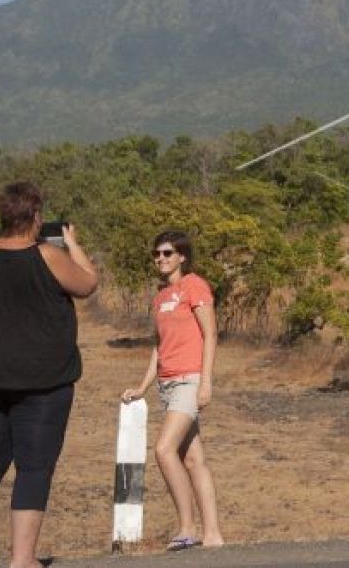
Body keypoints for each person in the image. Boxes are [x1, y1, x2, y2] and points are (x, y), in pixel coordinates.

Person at [0, 181, 98, 568]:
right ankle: (23, 559)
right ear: (35, 217)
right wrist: (73, 244)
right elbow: (87, 284)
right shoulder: (47, 255)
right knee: (34, 466)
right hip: (41, 384)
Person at [121, 230, 224, 550]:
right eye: (156, 254)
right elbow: (160, 346)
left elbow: (210, 334)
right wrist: (143, 386)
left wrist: (205, 381)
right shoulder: (161, 296)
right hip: (167, 384)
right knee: (193, 460)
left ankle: (187, 527)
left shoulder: (195, 286)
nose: (161, 259)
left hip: (188, 381)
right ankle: (213, 535)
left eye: (167, 253)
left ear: (182, 256)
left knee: (164, 451)